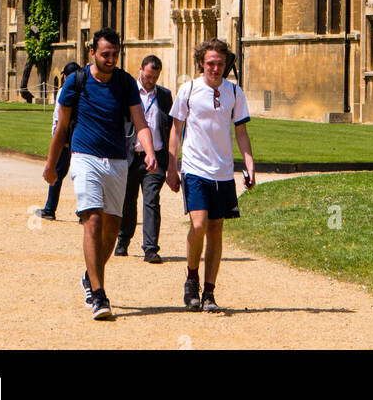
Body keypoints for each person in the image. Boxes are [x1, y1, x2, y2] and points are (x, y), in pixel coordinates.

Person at [42, 29, 156, 321]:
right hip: (84, 157)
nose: (110, 59)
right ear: (92, 52)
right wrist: (51, 165)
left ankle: (88, 276)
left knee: (111, 228)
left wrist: (151, 150)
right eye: (105, 54)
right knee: (91, 219)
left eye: (115, 55)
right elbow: (62, 128)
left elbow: (139, 121)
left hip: (117, 161)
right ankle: (99, 293)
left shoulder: (125, 82)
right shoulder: (75, 82)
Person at [166, 38, 255, 312]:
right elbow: (175, 130)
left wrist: (249, 165)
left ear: (226, 64)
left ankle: (209, 292)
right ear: (201, 63)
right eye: (210, 63)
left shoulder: (235, 92)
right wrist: (172, 167)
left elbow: (240, 132)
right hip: (194, 169)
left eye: (220, 63)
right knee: (199, 225)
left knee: (216, 230)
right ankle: (192, 279)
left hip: (223, 172)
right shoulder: (188, 89)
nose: (215, 68)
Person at [115, 55, 172, 262]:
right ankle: (123, 240)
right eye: (148, 76)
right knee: (128, 201)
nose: (151, 81)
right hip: (131, 156)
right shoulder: (128, 93)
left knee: (151, 201)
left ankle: (150, 248)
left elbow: (170, 129)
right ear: (141, 70)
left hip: (155, 158)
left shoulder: (164, 96)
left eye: (155, 78)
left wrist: (170, 162)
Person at [36, 61, 83, 219]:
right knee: (82, 176)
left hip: (65, 139)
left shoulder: (65, 89)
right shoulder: (85, 89)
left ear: (64, 76)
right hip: (80, 138)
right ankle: (84, 213)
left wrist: (55, 136)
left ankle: (50, 209)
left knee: (56, 173)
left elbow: (58, 115)